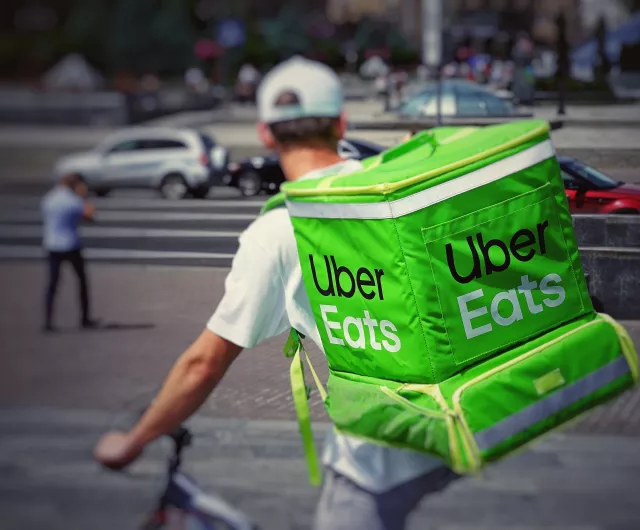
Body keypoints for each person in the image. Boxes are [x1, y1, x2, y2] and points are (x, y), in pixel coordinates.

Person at [93, 57, 457, 530]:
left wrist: (134, 441)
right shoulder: (389, 189)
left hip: (385, 444)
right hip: (469, 413)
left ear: (266, 134)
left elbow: (204, 363)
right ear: (341, 123)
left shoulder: (279, 230)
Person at [41, 173, 98, 332]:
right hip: (71, 244)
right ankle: (84, 318)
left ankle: (48, 321)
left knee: (52, 284)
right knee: (81, 282)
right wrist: (84, 198)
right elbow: (90, 215)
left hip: (52, 244)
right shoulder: (73, 200)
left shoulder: (49, 198)